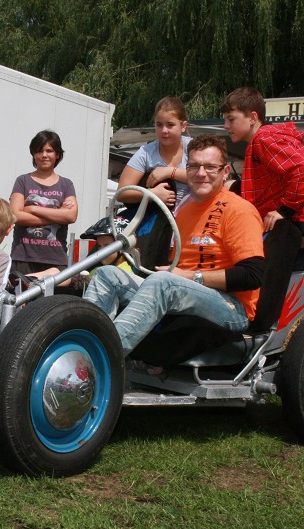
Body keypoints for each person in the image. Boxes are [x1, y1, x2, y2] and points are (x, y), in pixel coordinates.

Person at [83, 134, 264, 356]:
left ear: (225, 172)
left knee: (164, 283)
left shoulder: (239, 210)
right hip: (184, 291)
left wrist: (190, 276)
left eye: (210, 167)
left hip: (232, 309)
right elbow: (173, 265)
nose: (201, 173)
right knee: (106, 274)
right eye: (195, 166)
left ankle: (100, 357)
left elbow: (253, 275)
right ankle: (82, 340)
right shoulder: (184, 210)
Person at [220, 87, 304, 272]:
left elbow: (302, 170)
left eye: (231, 119)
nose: (226, 126)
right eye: (225, 120)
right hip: (302, 220)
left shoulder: (264, 138)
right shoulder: (264, 139)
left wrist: (283, 211)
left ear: (253, 117)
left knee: (257, 273)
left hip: (298, 220)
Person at [116, 97, 192, 269]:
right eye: (159, 125)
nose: (164, 130)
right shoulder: (145, 152)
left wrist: (169, 171)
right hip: (158, 227)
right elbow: (122, 192)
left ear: (183, 126)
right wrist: (152, 195)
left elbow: (210, 177)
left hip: (191, 221)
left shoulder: (194, 148)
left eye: (170, 125)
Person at [9, 130, 78, 276]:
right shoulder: (22, 181)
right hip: (23, 256)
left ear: (57, 154)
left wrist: (32, 208)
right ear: (33, 154)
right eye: (39, 151)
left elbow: (71, 216)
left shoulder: (66, 184)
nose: (44, 155)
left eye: (49, 151)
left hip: (55, 259)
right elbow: (15, 215)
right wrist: (58, 214)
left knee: (52, 300)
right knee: (22, 298)